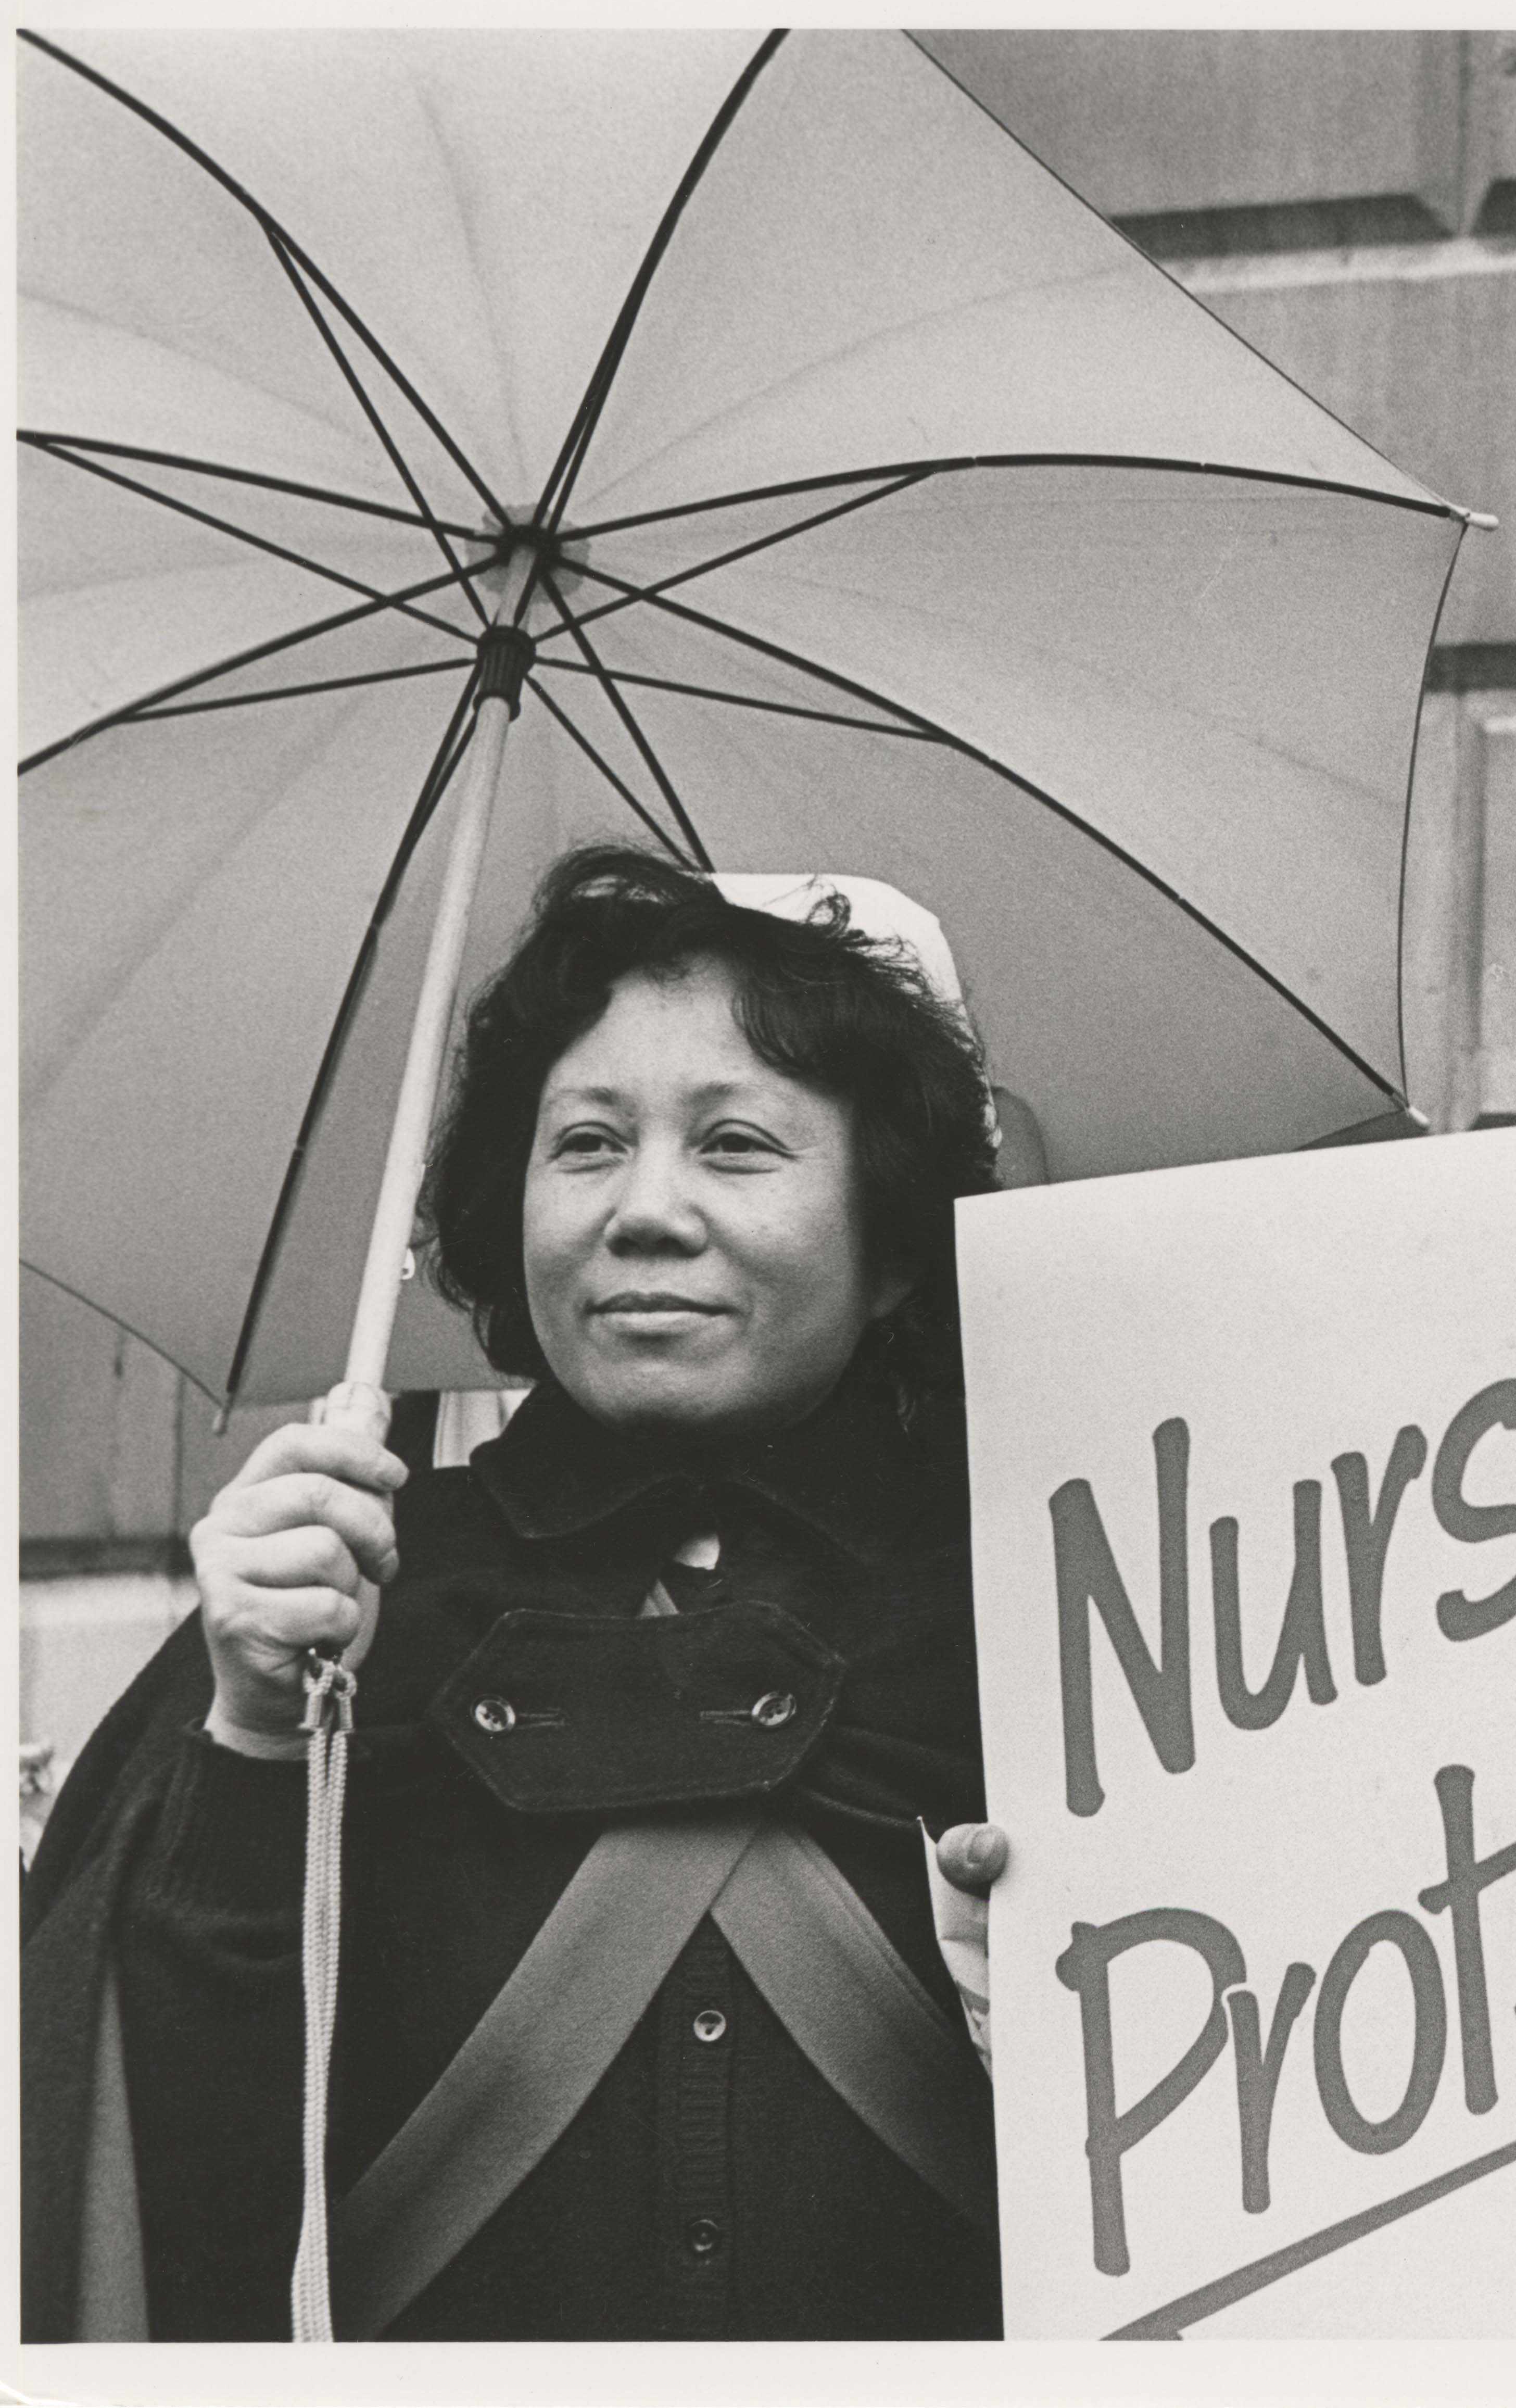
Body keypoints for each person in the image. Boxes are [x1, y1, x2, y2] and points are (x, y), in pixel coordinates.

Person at [22, 848, 1008, 2340]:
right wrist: (249, 1746)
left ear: (889, 1248)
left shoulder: (1066, 1615)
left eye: (736, 1145)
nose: (645, 1213)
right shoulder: (342, 1605)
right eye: (588, 1143)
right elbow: (144, 2212)